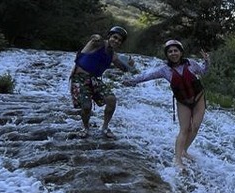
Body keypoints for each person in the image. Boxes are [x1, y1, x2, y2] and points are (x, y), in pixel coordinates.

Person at [124, 39, 210, 167]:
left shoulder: (191, 64)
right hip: (183, 102)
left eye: (176, 51)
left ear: (181, 52)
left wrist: (207, 61)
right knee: (184, 129)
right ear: (167, 54)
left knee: (195, 127)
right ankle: (177, 159)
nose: (173, 53)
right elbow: (147, 76)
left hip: (198, 98)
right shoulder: (164, 70)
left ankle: (184, 151)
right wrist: (131, 81)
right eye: (170, 51)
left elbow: (204, 71)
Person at [69, 25, 135, 139]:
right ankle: (85, 128)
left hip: (95, 80)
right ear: (109, 36)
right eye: (114, 37)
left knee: (111, 100)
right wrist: (96, 37)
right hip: (79, 78)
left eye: (119, 40)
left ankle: (104, 127)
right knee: (86, 106)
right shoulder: (98, 43)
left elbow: (123, 68)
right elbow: (94, 38)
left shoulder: (113, 55)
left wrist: (129, 66)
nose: (116, 41)